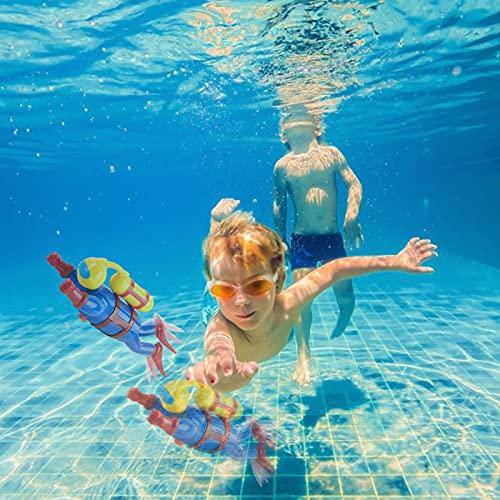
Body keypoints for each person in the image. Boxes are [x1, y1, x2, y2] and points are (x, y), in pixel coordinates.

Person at [186, 205, 437, 393]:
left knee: (227, 269)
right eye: (225, 290)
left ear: (279, 280)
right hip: (213, 305)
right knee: (218, 263)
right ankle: (216, 229)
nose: (241, 301)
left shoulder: (289, 302)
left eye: (257, 285)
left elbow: (336, 268)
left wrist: (395, 261)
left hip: (276, 317)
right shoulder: (221, 326)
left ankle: (221, 252)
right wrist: (220, 366)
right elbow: (218, 345)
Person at [273, 110, 363, 385]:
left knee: (345, 294)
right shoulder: (282, 166)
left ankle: (345, 315)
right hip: (303, 240)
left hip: (332, 237)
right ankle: (304, 355)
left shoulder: (331, 154)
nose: (297, 119)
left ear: (317, 129)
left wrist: (351, 216)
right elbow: (280, 204)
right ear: (284, 135)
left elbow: (354, 183)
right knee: (302, 299)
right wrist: (280, 238)